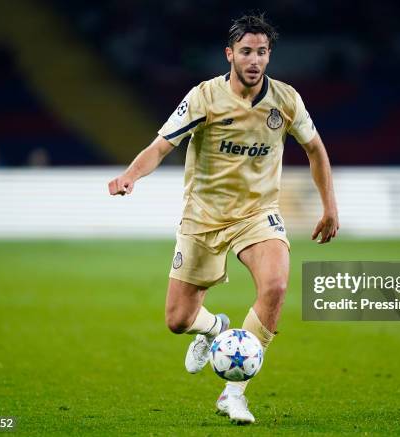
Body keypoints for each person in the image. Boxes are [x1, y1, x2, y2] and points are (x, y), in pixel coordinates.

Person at [108, 13, 339, 424]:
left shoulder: (286, 101)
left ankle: (233, 394)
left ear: (270, 56)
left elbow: (316, 149)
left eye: (262, 52)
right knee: (178, 320)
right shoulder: (204, 98)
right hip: (204, 216)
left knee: (277, 285)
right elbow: (161, 146)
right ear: (230, 54)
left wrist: (330, 206)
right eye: (246, 51)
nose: (254, 60)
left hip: (257, 213)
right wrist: (130, 175)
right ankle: (215, 329)